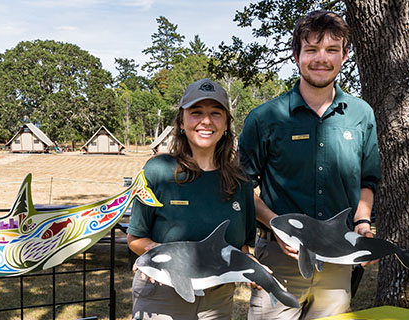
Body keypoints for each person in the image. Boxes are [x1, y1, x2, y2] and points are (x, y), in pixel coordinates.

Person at [238, 10, 381, 319]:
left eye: (331, 50)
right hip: (279, 258)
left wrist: (363, 222)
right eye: (312, 49)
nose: (321, 58)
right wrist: (277, 226)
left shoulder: (362, 114)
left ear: (345, 55)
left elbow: (368, 180)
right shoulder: (264, 118)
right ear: (296, 55)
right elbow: (241, 187)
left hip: (339, 258)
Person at [127, 78, 256, 320]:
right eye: (196, 112)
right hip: (162, 294)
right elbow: (135, 238)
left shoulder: (241, 182)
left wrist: (254, 270)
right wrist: (156, 255)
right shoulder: (157, 171)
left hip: (218, 302)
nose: (206, 121)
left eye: (216, 113)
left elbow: (243, 247)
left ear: (227, 123)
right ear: (181, 121)